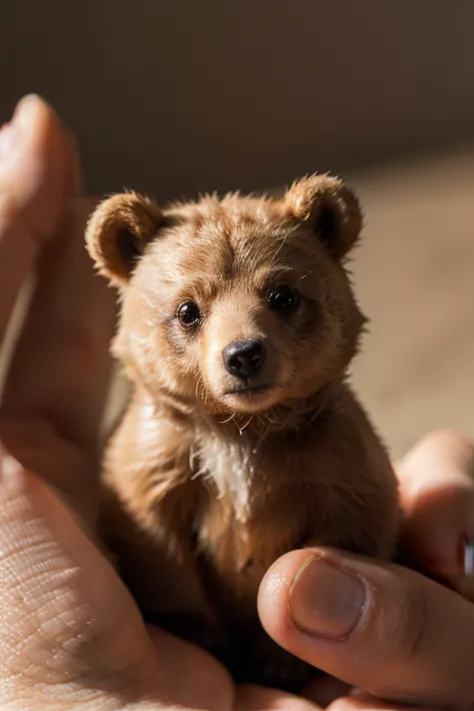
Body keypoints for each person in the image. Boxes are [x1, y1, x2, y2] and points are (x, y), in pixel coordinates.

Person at [0, 94, 473, 711]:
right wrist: (172, 619)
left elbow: (365, 521)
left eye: (282, 300)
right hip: (181, 649)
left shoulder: (336, 439)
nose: (242, 342)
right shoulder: (149, 442)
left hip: (312, 659)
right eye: (190, 315)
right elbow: (142, 530)